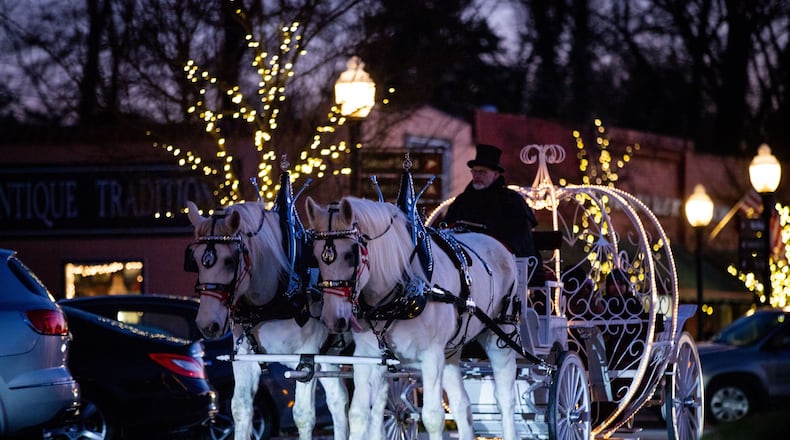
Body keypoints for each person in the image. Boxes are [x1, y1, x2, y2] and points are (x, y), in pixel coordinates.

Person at [442, 143, 544, 284]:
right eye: (475, 171)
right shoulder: (462, 201)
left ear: (495, 174)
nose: (477, 176)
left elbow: (521, 240)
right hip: (462, 263)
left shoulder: (511, 201)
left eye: (482, 172)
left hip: (499, 264)